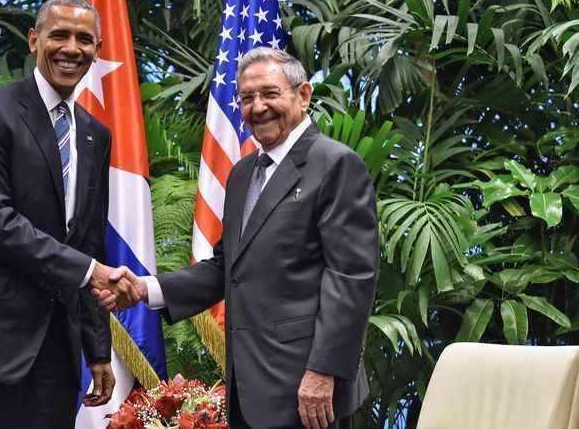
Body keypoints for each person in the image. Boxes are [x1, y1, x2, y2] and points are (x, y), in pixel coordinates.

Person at [96, 47, 378, 429]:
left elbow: (351, 278)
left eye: (269, 93)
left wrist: (323, 372)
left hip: (308, 391)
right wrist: (146, 288)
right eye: (246, 98)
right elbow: (227, 268)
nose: (257, 107)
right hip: (248, 389)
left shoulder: (336, 165)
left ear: (304, 95)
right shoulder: (244, 173)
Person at [0, 0, 137, 429]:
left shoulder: (96, 135)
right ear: (33, 39)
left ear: (98, 48)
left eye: (85, 39)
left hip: (56, 350)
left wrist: (97, 350)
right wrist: (89, 271)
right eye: (59, 35)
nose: (71, 48)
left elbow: (88, 241)